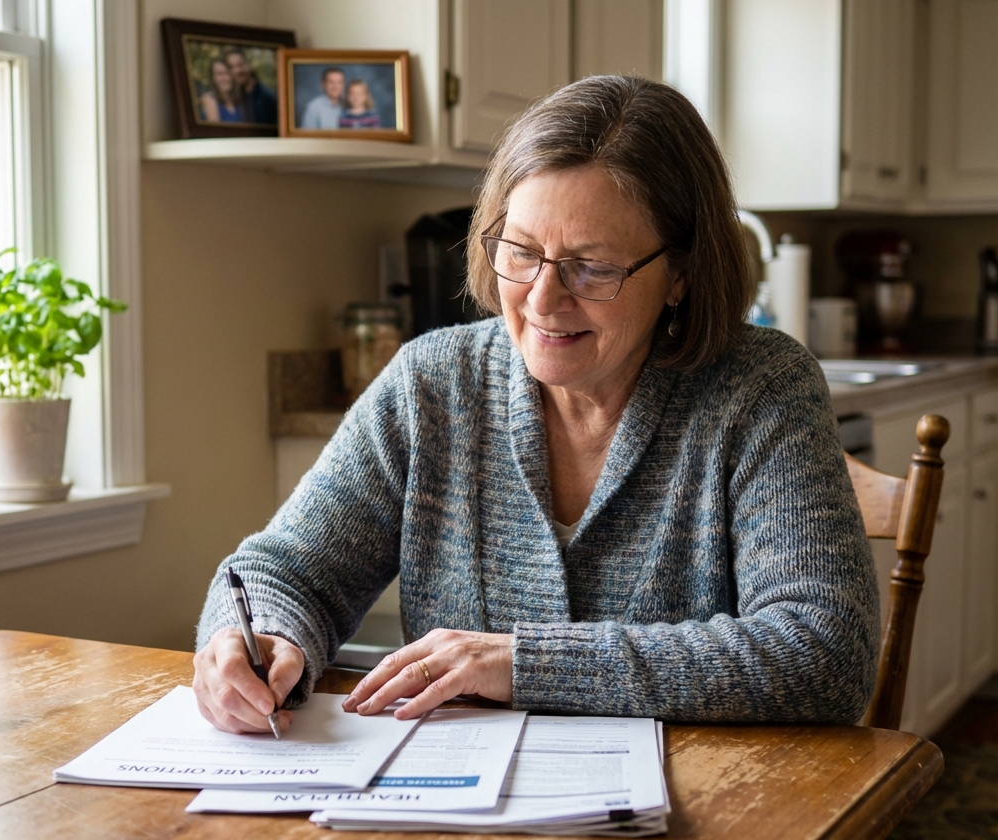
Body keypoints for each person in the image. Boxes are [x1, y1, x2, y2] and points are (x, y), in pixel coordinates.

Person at [193, 75, 879, 736]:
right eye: (520, 252)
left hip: (706, 804)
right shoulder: (433, 383)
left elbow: (827, 651)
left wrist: (524, 664)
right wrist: (253, 638)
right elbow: (283, 572)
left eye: (593, 267)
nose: (544, 299)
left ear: (681, 273)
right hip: (460, 804)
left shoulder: (761, 387)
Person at [224, 48, 277, 125]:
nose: (237, 71)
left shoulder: (267, 97)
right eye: (231, 67)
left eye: (240, 65)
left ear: (248, 64)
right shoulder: (237, 97)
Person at [198, 58, 245, 123]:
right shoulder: (209, 99)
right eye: (220, 74)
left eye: (228, 73)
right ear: (213, 78)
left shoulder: (241, 101)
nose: (225, 78)